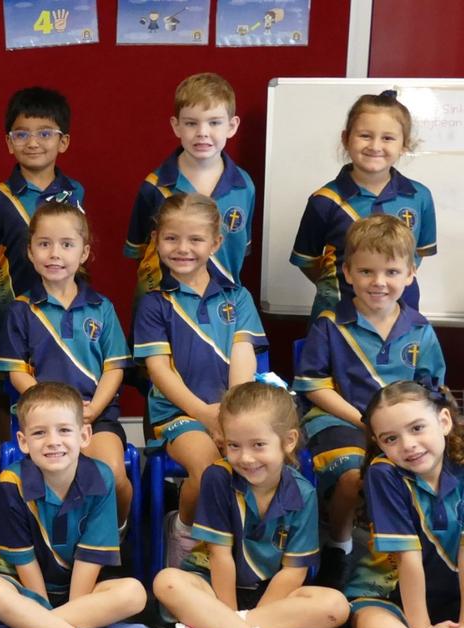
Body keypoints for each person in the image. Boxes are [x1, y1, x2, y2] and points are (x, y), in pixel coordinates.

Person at [153, 383, 349, 628]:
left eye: (258, 445)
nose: (245, 458)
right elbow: (220, 557)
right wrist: (228, 611)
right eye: (234, 446)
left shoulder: (304, 493)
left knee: (336, 606)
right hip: (214, 589)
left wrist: (233, 622)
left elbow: (292, 572)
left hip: (271, 597)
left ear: (288, 441)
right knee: (167, 582)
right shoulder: (218, 478)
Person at [293, 215, 444, 589]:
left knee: (430, 470)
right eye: (366, 271)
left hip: (401, 429)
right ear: (347, 273)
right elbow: (313, 386)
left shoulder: (421, 330)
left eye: (392, 272)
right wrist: (367, 423)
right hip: (341, 420)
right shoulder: (329, 324)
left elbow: (432, 392)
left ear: (410, 274)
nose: (379, 283)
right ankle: (339, 547)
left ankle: (418, 556)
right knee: (352, 478)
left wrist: (407, 429)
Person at [0, 383, 159, 628]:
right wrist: (58, 614)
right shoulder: (10, 485)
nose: (52, 441)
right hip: (23, 587)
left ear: (84, 435)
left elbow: (90, 558)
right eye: (39, 433)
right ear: (23, 442)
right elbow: (26, 565)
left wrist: (48, 618)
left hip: (80, 590)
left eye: (64, 430)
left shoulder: (102, 478)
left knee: (135, 593)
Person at [133, 193, 265, 567]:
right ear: (157, 240)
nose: (183, 248)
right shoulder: (155, 303)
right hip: (178, 414)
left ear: (216, 242)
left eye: (195, 239)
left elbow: (243, 357)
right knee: (208, 469)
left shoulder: (237, 298)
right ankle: (185, 532)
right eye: (172, 238)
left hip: (231, 412)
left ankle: (247, 553)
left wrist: (231, 415)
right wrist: (204, 415)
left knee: (262, 460)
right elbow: (159, 371)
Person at [0, 202, 131, 522]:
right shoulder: (21, 309)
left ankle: (115, 530)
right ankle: (59, 543)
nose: (55, 254)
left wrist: (94, 409)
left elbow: (114, 368)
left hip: (95, 417)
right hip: (44, 421)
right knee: (54, 479)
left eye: (67, 245)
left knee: (112, 473)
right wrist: (55, 409)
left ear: (83, 253)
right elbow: (16, 372)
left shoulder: (102, 308)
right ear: (29, 251)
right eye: (44, 244)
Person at [347, 379, 464, 628]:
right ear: (379, 443)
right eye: (391, 439)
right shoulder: (383, 473)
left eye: (417, 428)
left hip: (452, 596)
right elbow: (408, 560)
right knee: (376, 626)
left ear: (443, 421)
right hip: (390, 596)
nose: (408, 445)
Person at [291, 90, 436, 318]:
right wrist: (340, 283)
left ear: (404, 144)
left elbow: (417, 254)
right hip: (337, 317)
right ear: (346, 139)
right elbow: (308, 262)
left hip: (401, 314)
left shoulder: (419, 197)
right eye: (365, 136)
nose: (375, 146)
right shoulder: (324, 200)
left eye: (388, 138)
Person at [124, 72, 254, 296]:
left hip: (223, 306)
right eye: (191, 123)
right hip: (163, 305)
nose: (202, 133)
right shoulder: (155, 187)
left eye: (214, 122)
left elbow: (240, 249)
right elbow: (139, 251)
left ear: (232, 126)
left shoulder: (244, 186)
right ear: (176, 126)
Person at [0, 86, 84, 360]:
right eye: (22, 133)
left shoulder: (74, 192)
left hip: (60, 302)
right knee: (8, 382)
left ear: (63, 142)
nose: (33, 142)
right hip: (9, 303)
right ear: (8, 142)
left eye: (44, 133)